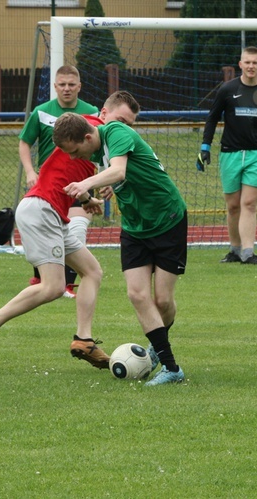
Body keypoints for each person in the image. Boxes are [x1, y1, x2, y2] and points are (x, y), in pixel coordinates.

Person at [0, 92, 141, 368]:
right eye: (120, 120)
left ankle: (83, 340)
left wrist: (88, 199)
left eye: (130, 124)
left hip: (52, 212)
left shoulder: (102, 145)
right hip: (41, 209)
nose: (124, 127)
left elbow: (70, 176)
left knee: (92, 271)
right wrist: (111, 176)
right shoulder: (89, 128)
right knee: (52, 287)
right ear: (102, 114)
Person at [56, 112, 187, 387]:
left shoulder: (116, 132)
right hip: (135, 228)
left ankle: (157, 346)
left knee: (162, 301)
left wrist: (87, 183)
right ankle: (171, 366)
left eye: (75, 150)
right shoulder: (95, 150)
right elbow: (121, 176)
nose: (73, 158)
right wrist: (92, 195)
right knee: (137, 294)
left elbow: (119, 171)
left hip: (167, 220)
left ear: (88, 136)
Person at [197, 46, 257, 265]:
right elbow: (212, 118)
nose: (251, 66)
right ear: (241, 64)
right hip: (230, 153)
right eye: (247, 62)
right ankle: (235, 250)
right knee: (233, 205)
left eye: (255, 62)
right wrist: (205, 147)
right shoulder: (227, 89)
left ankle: (248, 252)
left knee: (250, 203)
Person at [18, 64, 99, 297]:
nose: (66, 89)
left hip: (79, 184)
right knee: (48, 228)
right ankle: (42, 277)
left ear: (79, 87)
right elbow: (25, 142)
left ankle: (66, 284)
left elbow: (98, 149)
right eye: (62, 85)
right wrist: (30, 172)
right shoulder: (42, 111)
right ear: (54, 86)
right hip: (49, 185)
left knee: (76, 229)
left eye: (71, 85)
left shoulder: (90, 113)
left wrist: (101, 182)